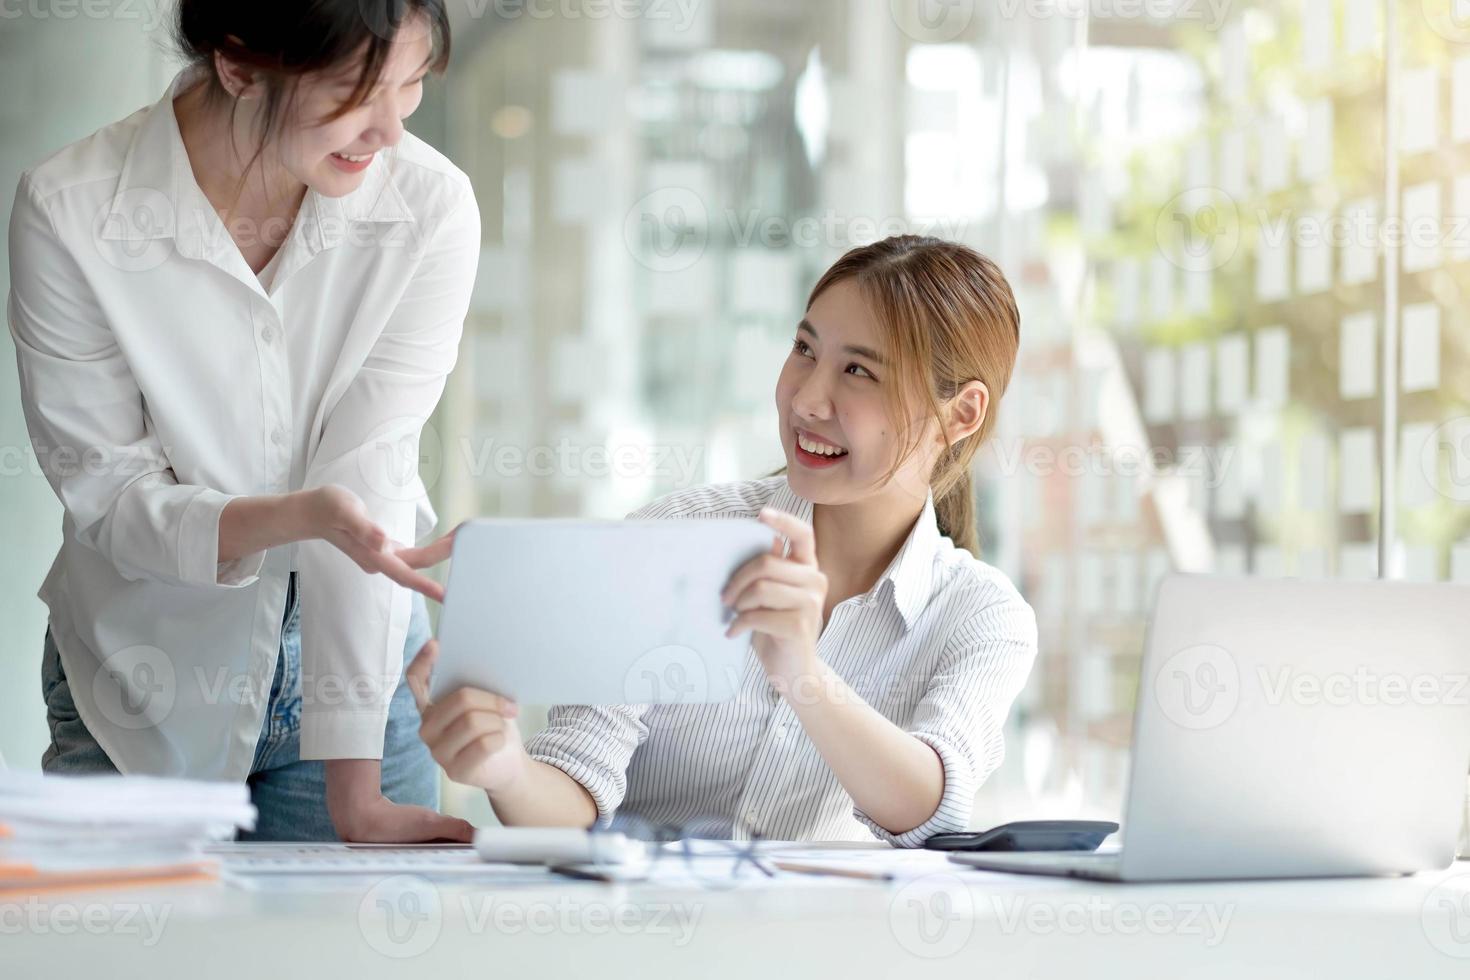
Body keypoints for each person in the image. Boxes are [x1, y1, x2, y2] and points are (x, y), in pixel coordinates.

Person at [9, 0, 477, 842]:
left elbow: (372, 461)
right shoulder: (72, 209)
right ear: (237, 64)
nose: (389, 132)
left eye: (409, 88)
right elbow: (110, 495)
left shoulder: (431, 207)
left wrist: (355, 790)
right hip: (139, 671)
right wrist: (296, 518)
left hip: (360, 659)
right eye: (355, 92)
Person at [408, 236, 1038, 844]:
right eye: (804, 350)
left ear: (961, 414)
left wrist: (803, 674)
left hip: (824, 947)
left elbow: (928, 808)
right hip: (634, 937)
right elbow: (574, 794)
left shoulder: (981, 616)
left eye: (858, 372)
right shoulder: (675, 540)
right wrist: (504, 768)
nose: (808, 400)